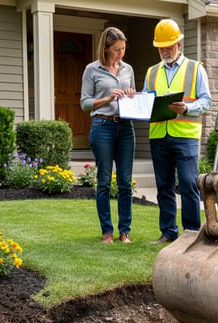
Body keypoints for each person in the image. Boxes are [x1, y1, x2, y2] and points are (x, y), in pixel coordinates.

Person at [143, 19, 212, 244]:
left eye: (168, 46)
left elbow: (207, 101)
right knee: (163, 186)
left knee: (188, 184)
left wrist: (188, 107)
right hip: (159, 136)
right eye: (161, 47)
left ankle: (191, 233)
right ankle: (168, 232)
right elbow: (145, 101)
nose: (164, 50)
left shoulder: (195, 69)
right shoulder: (152, 72)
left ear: (179, 45)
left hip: (185, 136)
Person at [80, 27, 136, 244]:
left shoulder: (128, 69)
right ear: (105, 48)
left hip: (125, 128)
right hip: (102, 125)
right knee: (104, 181)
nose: (120, 53)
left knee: (125, 182)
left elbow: (132, 99)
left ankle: (125, 231)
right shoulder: (92, 70)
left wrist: (131, 94)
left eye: (123, 49)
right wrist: (107, 98)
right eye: (116, 49)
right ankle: (107, 232)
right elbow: (85, 103)